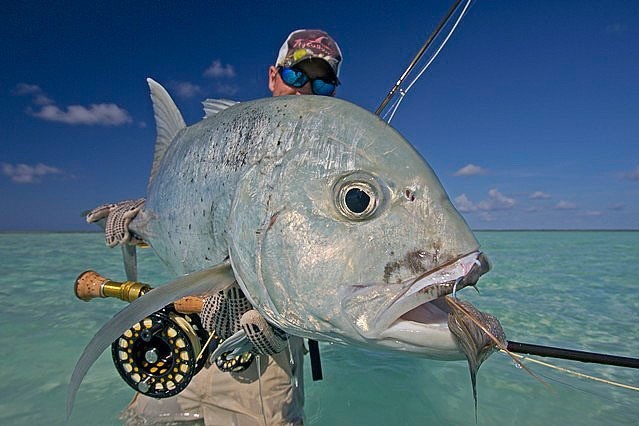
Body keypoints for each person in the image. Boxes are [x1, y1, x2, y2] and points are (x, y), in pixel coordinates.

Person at [122, 29, 342, 426]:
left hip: (262, 361)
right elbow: (188, 215)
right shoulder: (221, 147)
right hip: (179, 340)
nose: (306, 90)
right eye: (296, 76)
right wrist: (139, 221)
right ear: (273, 76)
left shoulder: (326, 167)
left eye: (323, 82)